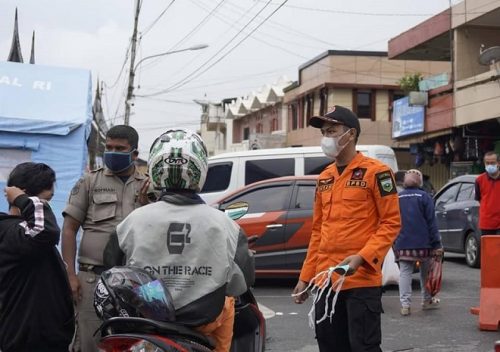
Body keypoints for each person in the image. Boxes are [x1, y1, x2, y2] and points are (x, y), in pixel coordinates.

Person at [103, 128, 254, 352]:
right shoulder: (225, 225)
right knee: (229, 305)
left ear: (155, 167)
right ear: (200, 169)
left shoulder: (132, 221)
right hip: (202, 324)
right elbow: (242, 282)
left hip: (145, 322)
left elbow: (111, 268)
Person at [292, 105, 401, 352]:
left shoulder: (378, 173)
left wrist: (362, 257)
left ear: (350, 134)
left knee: (363, 347)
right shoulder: (324, 178)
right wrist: (306, 277)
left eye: (332, 131)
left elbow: (391, 222)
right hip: (325, 280)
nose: (326, 137)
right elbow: (318, 230)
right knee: (329, 345)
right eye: (324, 132)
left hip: (360, 281)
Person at [61, 125, 150, 351]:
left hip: (137, 283)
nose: (112, 152)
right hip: (92, 278)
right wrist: (70, 275)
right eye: (109, 147)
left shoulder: (148, 186)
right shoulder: (89, 182)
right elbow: (69, 228)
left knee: (135, 341)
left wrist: (148, 204)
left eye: (120, 148)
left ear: (135, 154)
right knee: (89, 341)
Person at [0, 162, 74, 352]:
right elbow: (46, 231)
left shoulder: (23, 232)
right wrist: (24, 200)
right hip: (26, 340)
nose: (47, 207)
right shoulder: (11, 231)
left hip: (46, 337)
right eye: (45, 200)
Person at [393, 169, 443, 316]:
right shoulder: (425, 197)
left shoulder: (397, 198)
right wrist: (437, 244)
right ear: (420, 181)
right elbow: (431, 223)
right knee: (425, 273)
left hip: (403, 243)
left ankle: (405, 305)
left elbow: (393, 221)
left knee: (405, 273)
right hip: (424, 243)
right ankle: (426, 300)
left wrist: (394, 241)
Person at [475, 151, 500, 235]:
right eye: (487, 163)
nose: (490, 165)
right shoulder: (479, 180)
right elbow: (479, 199)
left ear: (498, 163)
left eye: (492, 163)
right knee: (489, 247)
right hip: (486, 224)